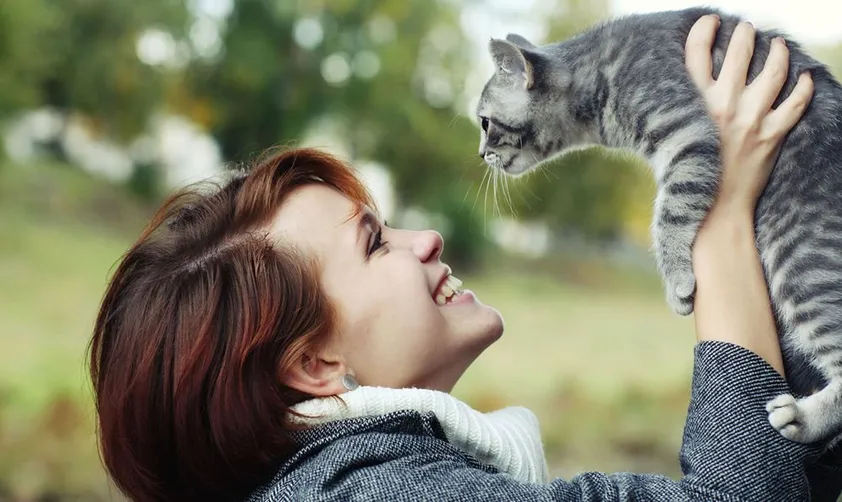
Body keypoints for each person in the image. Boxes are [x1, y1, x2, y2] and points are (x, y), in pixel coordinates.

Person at [88, 15, 842, 502]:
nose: (427, 241)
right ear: (315, 366)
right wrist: (722, 216)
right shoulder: (379, 495)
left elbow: (782, 477)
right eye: (375, 244)